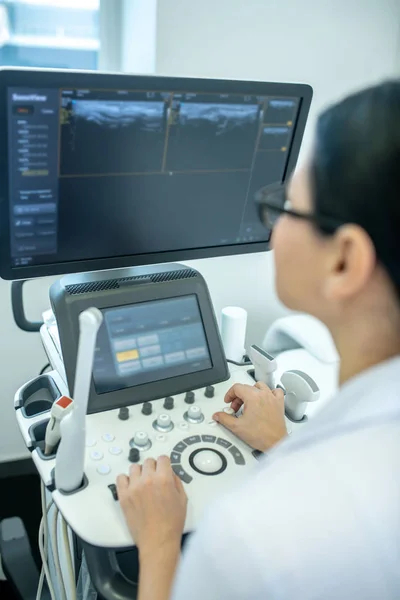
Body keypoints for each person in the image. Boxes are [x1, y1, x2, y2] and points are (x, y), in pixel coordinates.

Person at [116, 80, 400, 600]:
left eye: (288, 205)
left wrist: (159, 545)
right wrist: (284, 447)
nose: (273, 229)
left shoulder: (246, 544)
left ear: (344, 261)